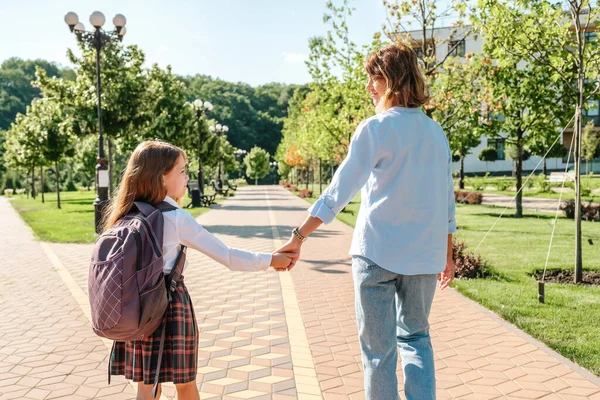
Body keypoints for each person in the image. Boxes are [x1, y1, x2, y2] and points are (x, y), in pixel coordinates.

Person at [276, 44, 456, 400]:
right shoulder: (436, 134)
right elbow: (446, 201)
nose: (369, 87)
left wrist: (299, 236)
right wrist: (447, 255)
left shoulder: (375, 129)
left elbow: (338, 192)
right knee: (416, 337)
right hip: (423, 257)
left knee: (378, 353)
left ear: (393, 80)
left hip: (376, 254)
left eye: (375, 78)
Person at [102, 140, 293, 400]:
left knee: (147, 387)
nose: (187, 177)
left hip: (138, 308)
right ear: (162, 178)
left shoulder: (127, 213)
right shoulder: (176, 218)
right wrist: (271, 260)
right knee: (186, 384)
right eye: (182, 171)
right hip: (170, 306)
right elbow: (227, 256)